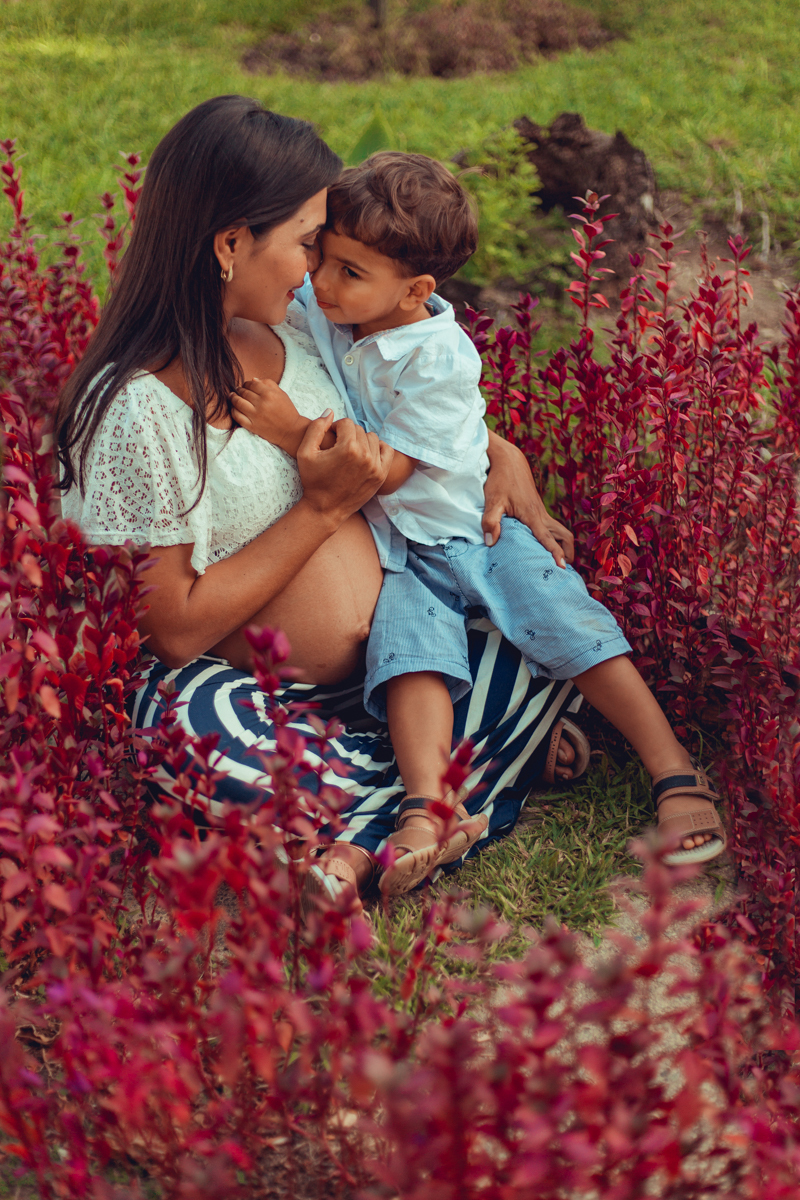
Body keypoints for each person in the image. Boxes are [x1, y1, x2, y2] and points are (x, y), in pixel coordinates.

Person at [54, 96, 589, 916]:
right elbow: (172, 630)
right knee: (191, 731)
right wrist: (319, 510)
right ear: (231, 243)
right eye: (308, 243)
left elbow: (408, 422)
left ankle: (375, 821)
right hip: (249, 693)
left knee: (533, 622)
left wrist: (499, 453)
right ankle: (439, 794)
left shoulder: (301, 330)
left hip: (398, 662)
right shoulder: (134, 406)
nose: (318, 268)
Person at [230, 150, 726, 894]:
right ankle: (426, 813)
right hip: (403, 554)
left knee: (571, 629)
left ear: (416, 290)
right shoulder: (337, 312)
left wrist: (288, 427)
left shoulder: (437, 357)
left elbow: (387, 470)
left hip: (474, 536)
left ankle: (673, 770)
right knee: (410, 663)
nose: (320, 282)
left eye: (348, 272)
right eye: (322, 259)